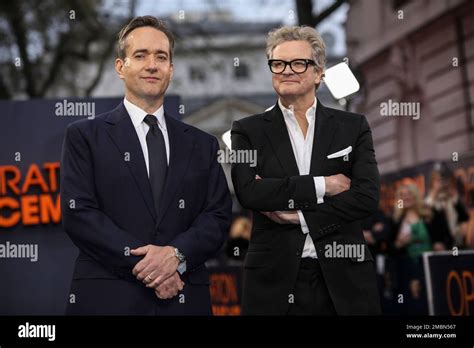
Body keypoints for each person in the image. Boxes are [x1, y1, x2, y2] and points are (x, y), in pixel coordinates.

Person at [60, 16, 232, 315]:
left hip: (184, 298)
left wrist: (176, 256)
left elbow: (216, 217)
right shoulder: (85, 136)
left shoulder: (202, 145)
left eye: (161, 57)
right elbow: (80, 214)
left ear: (171, 70)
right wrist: (151, 267)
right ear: (120, 67)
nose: (152, 65)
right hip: (108, 298)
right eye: (140, 56)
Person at [231, 25, 381, 315]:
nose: (287, 70)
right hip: (273, 283)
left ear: (319, 72)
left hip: (345, 280)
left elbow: (367, 196)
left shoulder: (353, 127)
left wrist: (300, 216)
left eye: (298, 63)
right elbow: (249, 192)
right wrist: (324, 185)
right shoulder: (247, 131)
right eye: (278, 63)